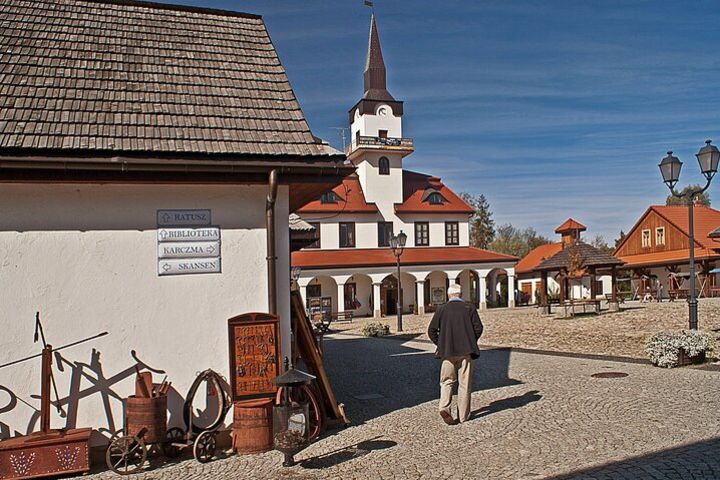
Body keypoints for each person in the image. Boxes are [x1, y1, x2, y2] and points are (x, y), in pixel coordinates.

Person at [427, 283, 484, 425]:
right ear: (461, 294)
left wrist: (441, 344)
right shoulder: (469, 307)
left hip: (447, 352)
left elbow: (432, 330)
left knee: (446, 381)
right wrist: (471, 340)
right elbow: (478, 327)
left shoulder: (442, 309)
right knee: (464, 384)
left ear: (448, 295)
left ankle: (444, 407)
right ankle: (463, 416)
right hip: (466, 351)